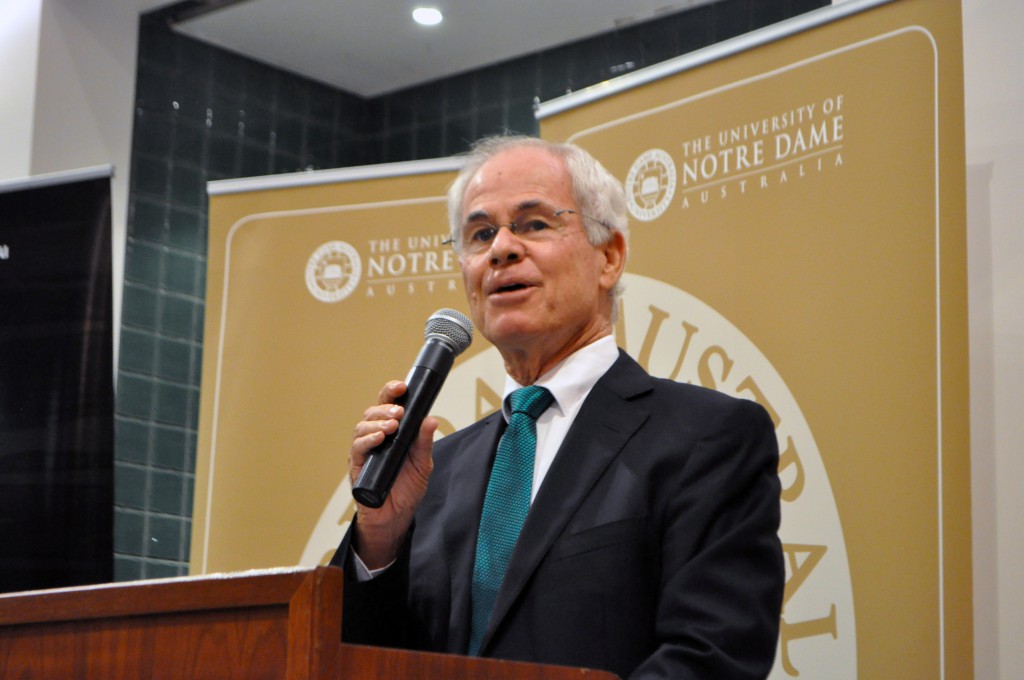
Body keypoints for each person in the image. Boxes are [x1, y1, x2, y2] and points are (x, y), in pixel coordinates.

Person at [330, 135, 784, 679]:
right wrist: (381, 534)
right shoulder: (432, 473)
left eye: (534, 224)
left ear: (609, 257)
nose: (501, 248)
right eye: (479, 234)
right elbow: (356, 664)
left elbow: (713, 658)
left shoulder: (706, 438)